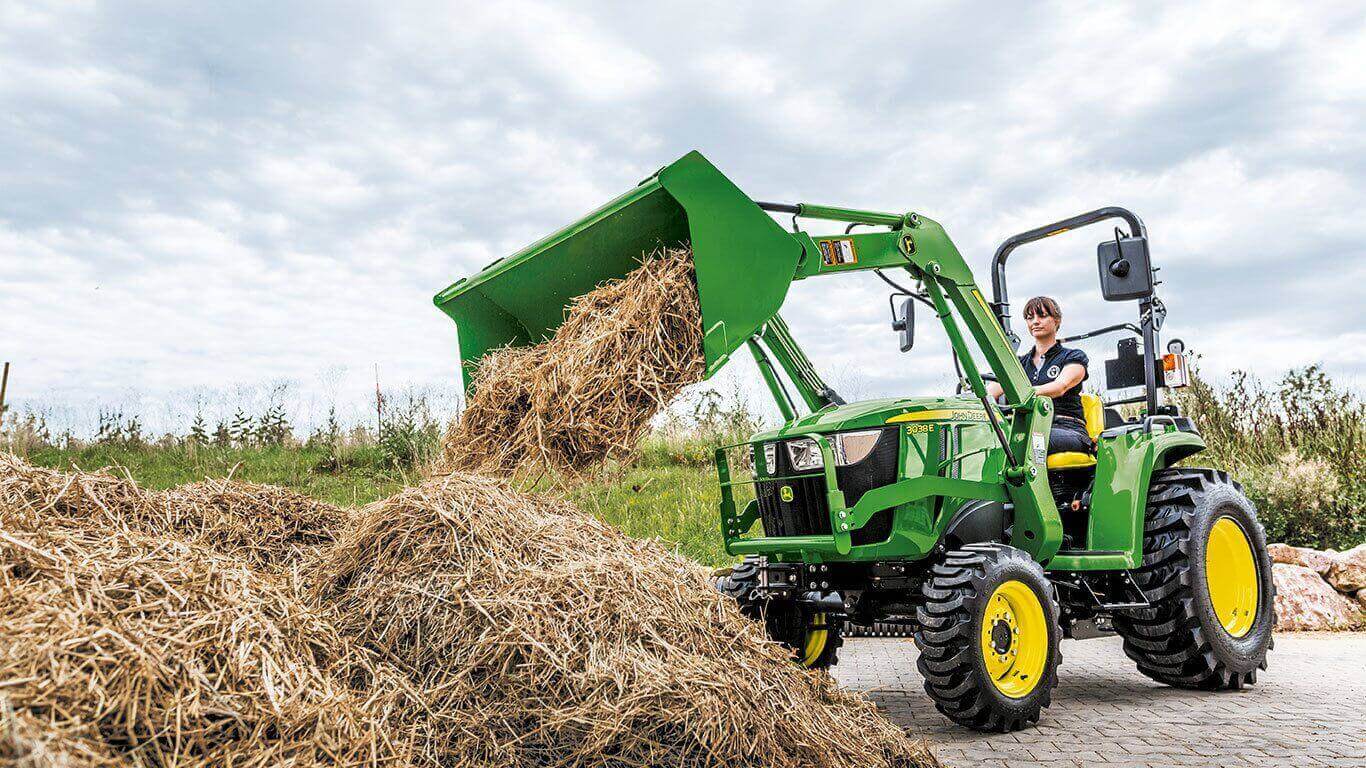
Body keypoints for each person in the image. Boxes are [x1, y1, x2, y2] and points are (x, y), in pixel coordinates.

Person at [985, 296, 1093, 455]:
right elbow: (991, 392)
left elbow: (1060, 387)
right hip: (1028, 428)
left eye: (1042, 316)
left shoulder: (1073, 357)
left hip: (1067, 428)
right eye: (1030, 318)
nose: (1035, 321)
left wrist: (1021, 392)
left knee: (1026, 441)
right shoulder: (1019, 364)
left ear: (1056, 320)